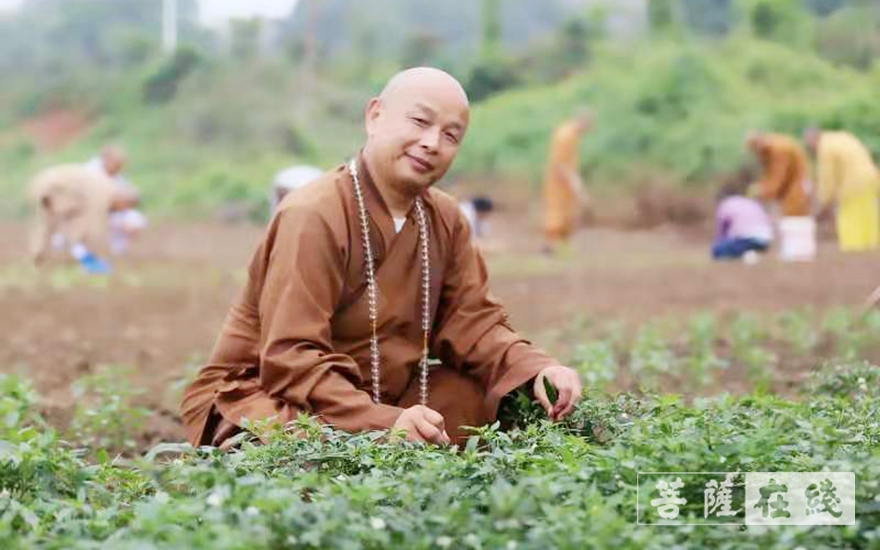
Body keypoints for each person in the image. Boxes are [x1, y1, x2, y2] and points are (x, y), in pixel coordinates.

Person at [181, 67, 582, 449]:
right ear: (375, 116)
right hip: (270, 394)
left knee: (498, 397)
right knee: (309, 451)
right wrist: (381, 422)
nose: (432, 143)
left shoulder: (445, 219)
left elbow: (473, 322)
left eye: (451, 135)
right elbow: (290, 358)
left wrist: (538, 367)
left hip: (387, 394)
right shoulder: (313, 215)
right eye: (419, 122)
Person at [28, 163, 139, 274]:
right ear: (122, 199)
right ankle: (85, 261)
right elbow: (95, 228)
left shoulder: (104, 187)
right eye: (126, 206)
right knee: (67, 228)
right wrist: (98, 254)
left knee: (49, 223)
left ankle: (38, 257)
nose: (124, 210)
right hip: (54, 187)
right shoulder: (102, 194)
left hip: (43, 183)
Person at [805, 128, 880, 252]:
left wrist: (824, 203)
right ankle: (871, 249)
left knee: (849, 218)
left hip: (853, 184)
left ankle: (853, 250)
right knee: (867, 217)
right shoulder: (842, 137)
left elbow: (828, 179)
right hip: (871, 178)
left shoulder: (825, 147)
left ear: (813, 139)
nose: (812, 149)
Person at [85, 146, 147, 255]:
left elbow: (130, 194)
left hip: (110, 212)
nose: (119, 168)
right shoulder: (90, 172)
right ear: (107, 159)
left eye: (121, 165)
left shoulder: (116, 175)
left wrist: (129, 200)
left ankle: (119, 253)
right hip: (87, 213)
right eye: (117, 164)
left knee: (135, 220)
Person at [542, 114, 591, 253]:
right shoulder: (565, 135)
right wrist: (575, 182)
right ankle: (550, 245)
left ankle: (564, 246)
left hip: (565, 181)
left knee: (568, 213)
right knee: (556, 212)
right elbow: (560, 164)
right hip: (559, 181)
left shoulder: (571, 135)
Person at [745, 132, 811, 217]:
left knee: (791, 218)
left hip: (796, 188)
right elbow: (769, 176)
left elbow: (777, 180)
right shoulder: (768, 151)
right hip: (790, 186)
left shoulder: (778, 150)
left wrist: (760, 191)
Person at [711, 184, 774, 261]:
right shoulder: (750, 202)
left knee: (717, 249)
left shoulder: (725, 204)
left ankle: (745, 253)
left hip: (746, 239)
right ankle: (751, 252)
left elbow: (722, 231)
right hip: (765, 241)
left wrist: (720, 243)